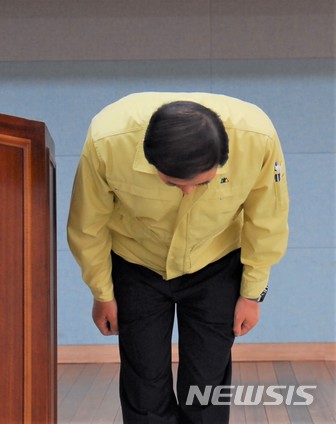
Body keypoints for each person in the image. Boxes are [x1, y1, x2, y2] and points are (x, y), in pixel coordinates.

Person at [67, 92, 289, 423]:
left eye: (203, 183)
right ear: (149, 158)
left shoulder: (257, 139)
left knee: (206, 384)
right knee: (144, 382)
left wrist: (251, 293)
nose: (187, 191)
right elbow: (88, 225)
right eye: (172, 183)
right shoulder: (107, 142)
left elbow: (267, 221)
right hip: (136, 261)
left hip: (216, 262)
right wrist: (102, 293)